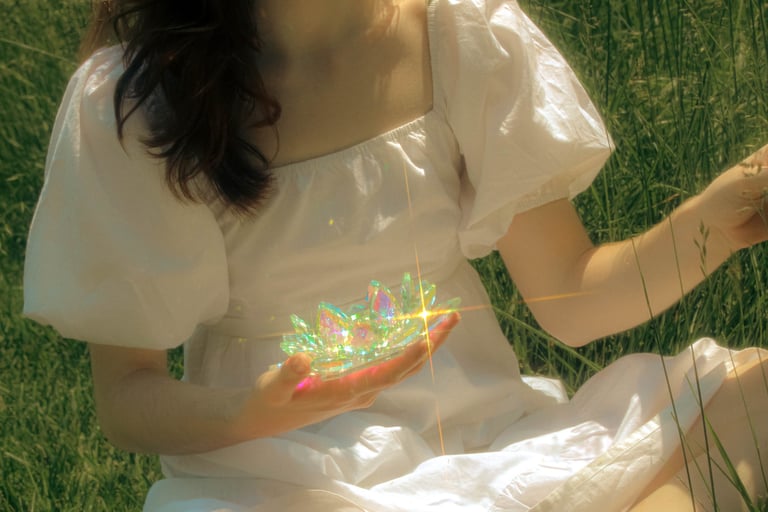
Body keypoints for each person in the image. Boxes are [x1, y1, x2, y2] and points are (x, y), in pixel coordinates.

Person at [22, 0, 768, 510]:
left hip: (487, 436)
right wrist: (254, 411)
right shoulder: (136, 102)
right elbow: (128, 401)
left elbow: (571, 297)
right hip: (287, 479)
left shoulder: (458, 36)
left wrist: (715, 216)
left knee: (752, 391)